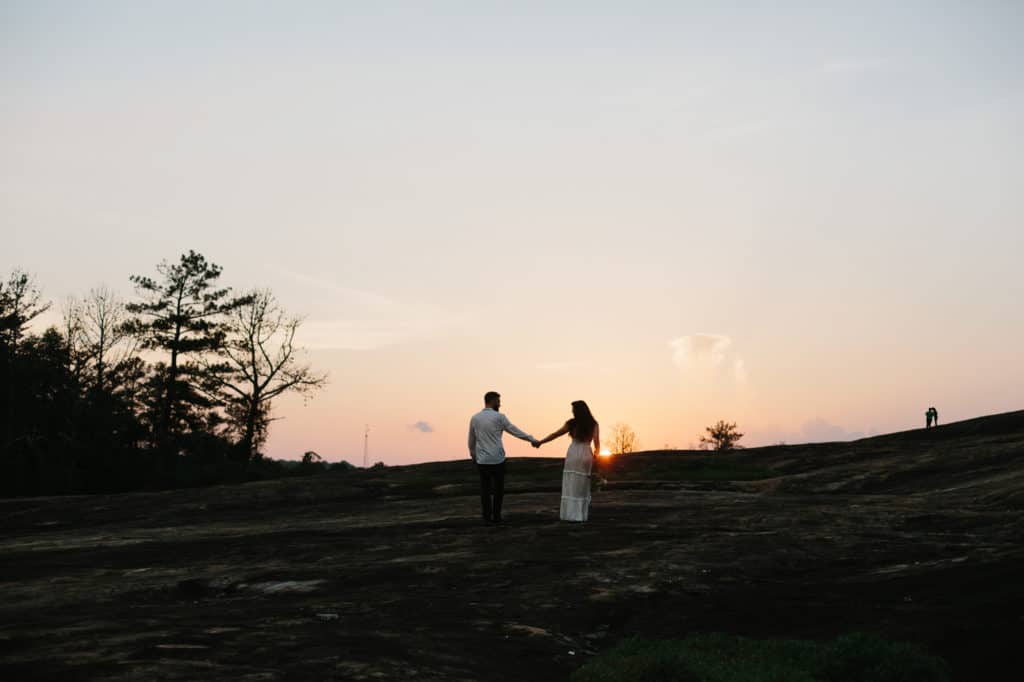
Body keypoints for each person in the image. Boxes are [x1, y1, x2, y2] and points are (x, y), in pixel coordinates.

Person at [467, 391, 538, 524]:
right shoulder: (499, 417)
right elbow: (514, 430)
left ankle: (487, 517)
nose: (500, 404)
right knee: (499, 490)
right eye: (498, 401)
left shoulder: (475, 418)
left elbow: (471, 440)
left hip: (482, 461)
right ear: (492, 401)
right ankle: (497, 517)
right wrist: (531, 439)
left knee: (485, 490)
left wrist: (473, 455)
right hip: (498, 459)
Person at [534, 400, 600, 522]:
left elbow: (555, 434)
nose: (572, 412)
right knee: (582, 486)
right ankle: (580, 515)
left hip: (573, 453)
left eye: (573, 410)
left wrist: (540, 442)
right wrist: (595, 458)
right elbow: (597, 445)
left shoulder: (572, 423)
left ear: (577, 411)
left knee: (571, 484)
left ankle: (570, 515)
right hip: (586, 454)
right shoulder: (593, 424)